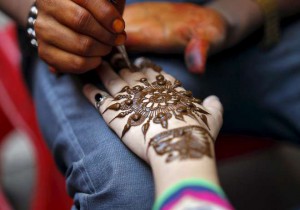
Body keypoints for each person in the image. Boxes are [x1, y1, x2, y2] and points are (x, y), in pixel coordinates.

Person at [1, 0, 300, 209]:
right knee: (125, 191)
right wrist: (39, 11)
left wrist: (233, 14)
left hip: (248, 21)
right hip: (86, 36)